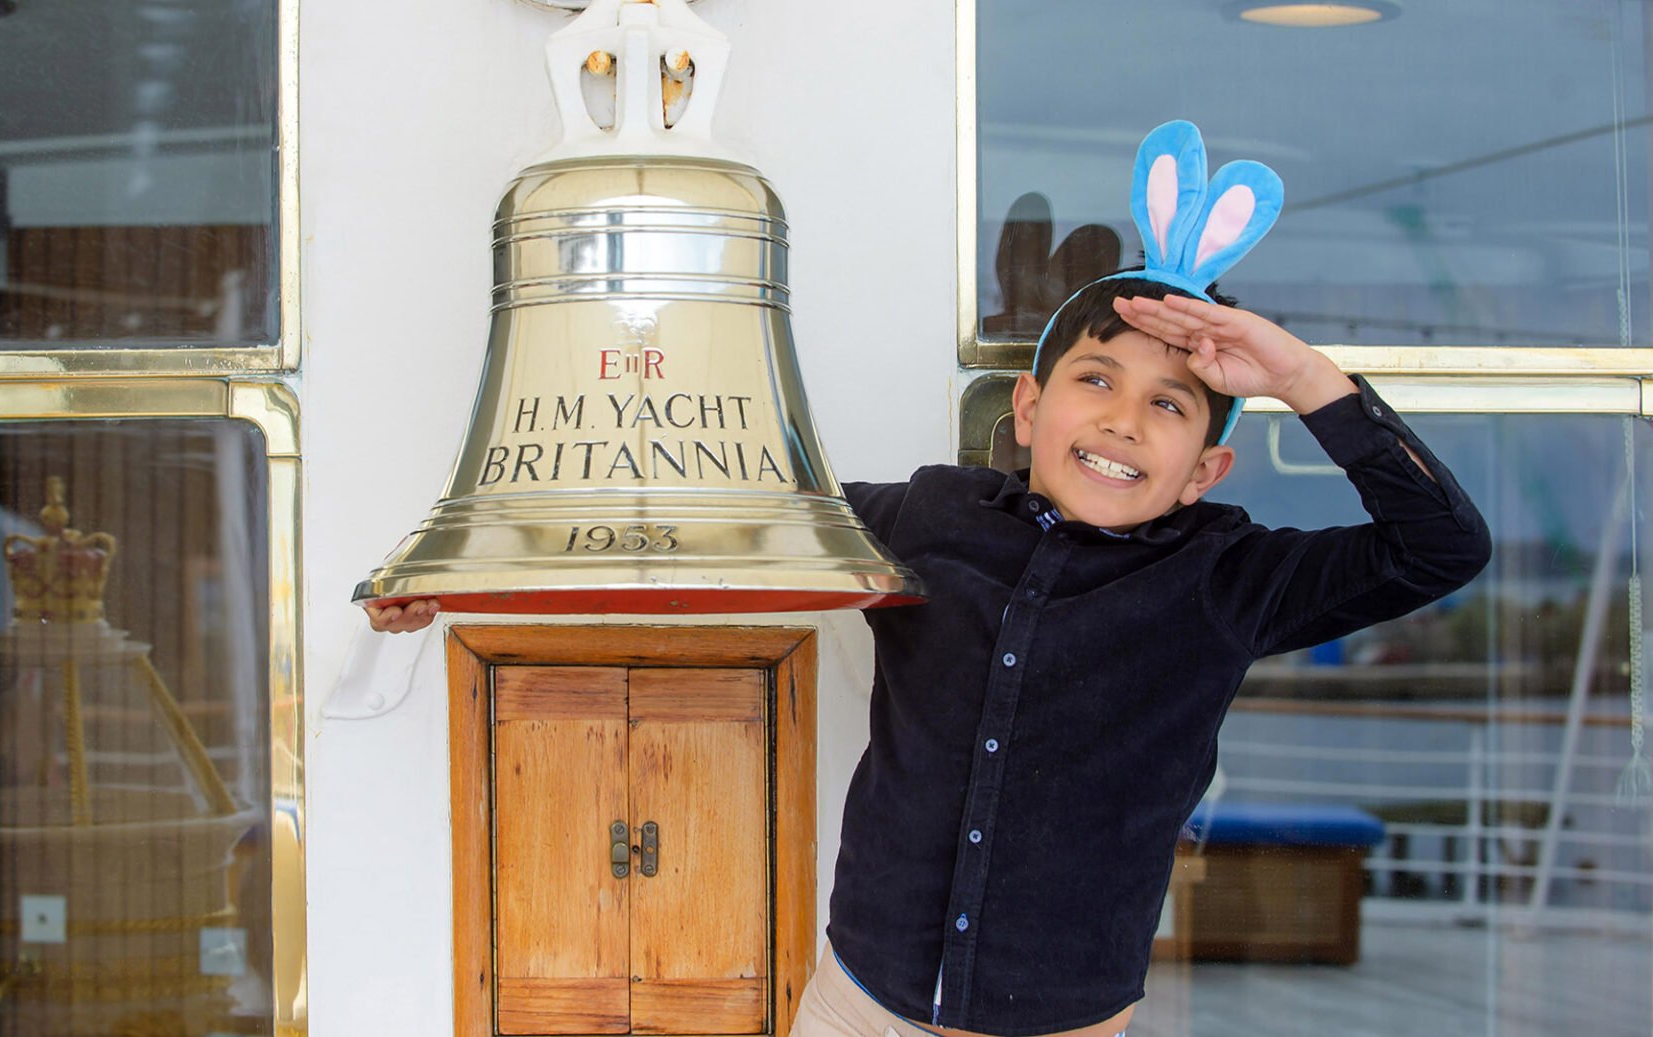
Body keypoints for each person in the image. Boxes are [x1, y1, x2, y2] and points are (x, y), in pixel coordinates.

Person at [364, 123, 1492, 1037]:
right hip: (861, 997)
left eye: (1168, 403)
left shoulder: (1231, 574)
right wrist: (469, 589)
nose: (1121, 418)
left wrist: (1298, 374)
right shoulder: (930, 512)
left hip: (1059, 1020)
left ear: (1207, 468)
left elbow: (1441, 545)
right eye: (1095, 379)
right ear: (1031, 411)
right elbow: (717, 525)